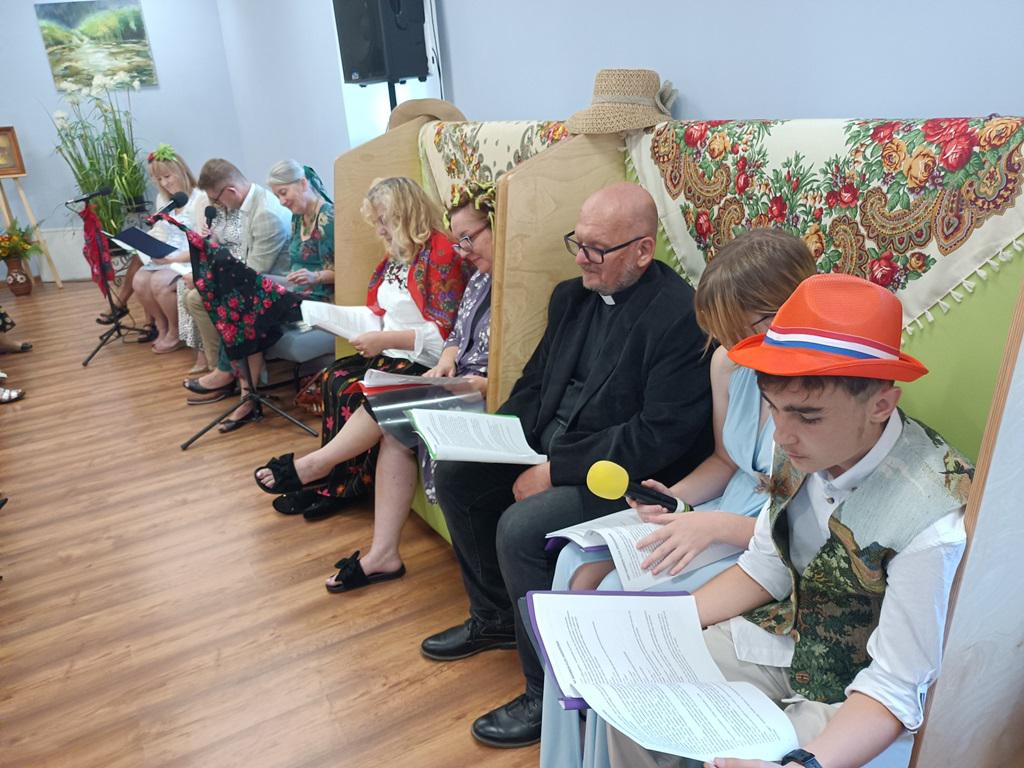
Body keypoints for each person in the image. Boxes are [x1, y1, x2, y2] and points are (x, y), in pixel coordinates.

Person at [605, 274, 973, 768]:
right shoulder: (799, 444)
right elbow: (765, 568)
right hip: (787, 640)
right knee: (634, 695)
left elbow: (894, 687)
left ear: (881, 405)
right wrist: (654, 627)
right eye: (774, 408)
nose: (782, 435)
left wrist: (803, 764)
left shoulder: (931, 518)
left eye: (808, 416)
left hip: (856, 693)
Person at [420, 182, 716, 749]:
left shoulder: (680, 316)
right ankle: (494, 619)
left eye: (596, 249)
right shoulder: (571, 297)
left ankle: (548, 693)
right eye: (577, 243)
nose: (581, 258)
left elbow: (658, 437)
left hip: (620, 476)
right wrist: (491, 437)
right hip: (546, 447)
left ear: (643, 250)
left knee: (522, 529)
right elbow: (535, 385)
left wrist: (555, 470)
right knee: (458, 476)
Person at [541, 229, 817, 768]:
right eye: (726, 334)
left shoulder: (818, 396)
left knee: (615, 596)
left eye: (743, 330)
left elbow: (800, 529)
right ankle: (568, 751)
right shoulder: (730, 364)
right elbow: (725, 462)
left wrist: (710, 527)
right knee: (574, 564)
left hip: (758, 537)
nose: (734, 347)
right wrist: (674, 498)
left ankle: (608, 744)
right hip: (716, 514)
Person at [253, 176, 469, 528]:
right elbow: (379, 315)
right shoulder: (399, 254)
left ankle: (336, 482)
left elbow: (448, 334)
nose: (380, 231)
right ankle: (330, 480)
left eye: (384, 221)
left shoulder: (441, 253)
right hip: (396, 351)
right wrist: (315, 313)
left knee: (356, 390)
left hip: (425, 360)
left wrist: (384, 340)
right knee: (334, 378)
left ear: (406, 214)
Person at [199, 160, 337, 432]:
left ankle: (246, 394)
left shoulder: (328, 219)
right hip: (294, 289)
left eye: (284, 193)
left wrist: (316, 276)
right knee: (239, 297)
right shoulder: (298, 216)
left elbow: (348, 272)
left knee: (246, 307)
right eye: (277, 195)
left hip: (319, 296)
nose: (282, 201)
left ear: (303, 183)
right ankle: (247, 393)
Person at [183, 158, 290, 404]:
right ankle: (222, 369)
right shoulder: (248, 204)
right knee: (197, 297)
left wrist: (208, 280)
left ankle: (226, 373)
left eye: (216, 199)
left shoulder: (266, 214)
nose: (217, 205)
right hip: (258, 282)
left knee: (214, 298)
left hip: (277, 288)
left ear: (230, 191)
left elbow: (253, 273)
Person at [130, 145, 206, 354]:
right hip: (166, 255)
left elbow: (203, 243)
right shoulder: (163, 199)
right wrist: (146, 245)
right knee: (139, 280)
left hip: (187, 257)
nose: (164, 183)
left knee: (158, 282)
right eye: (159, 179)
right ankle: (161, 327)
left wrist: (172, 258)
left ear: (181, 171)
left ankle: (175, 331)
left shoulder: (200, 198)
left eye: (167, 177)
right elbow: (160, 230)